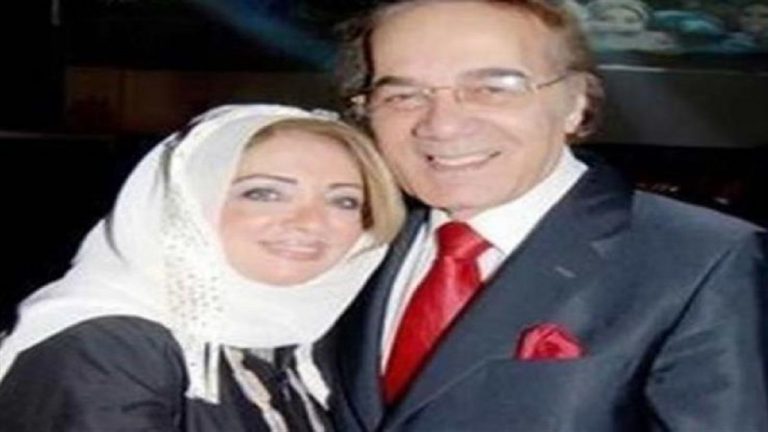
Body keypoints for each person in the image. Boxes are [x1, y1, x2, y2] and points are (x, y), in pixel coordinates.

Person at [325, 1, 768, 430]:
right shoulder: (347, 242)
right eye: (403, 96)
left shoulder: (703, 260)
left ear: (575, 103)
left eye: (492, 89)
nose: (442, 125)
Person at [0, 104, 405, 431]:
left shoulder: (287, 339)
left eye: (344, 201)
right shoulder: (109, 346)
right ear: (187, 205)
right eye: (264, 193)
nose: (311, 222)